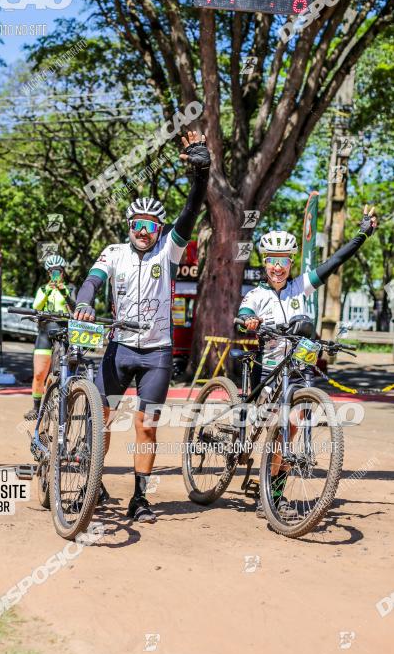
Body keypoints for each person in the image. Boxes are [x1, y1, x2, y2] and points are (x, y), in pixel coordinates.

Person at [73, 131, 211, 524]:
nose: (144, 231)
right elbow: (92, 280)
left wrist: (201, 172)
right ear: (129, 224)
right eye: (138, 223)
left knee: (146, 426)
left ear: (159, 229)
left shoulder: (169, 250)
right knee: (100, 418)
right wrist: (84, 301)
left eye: (151, 225)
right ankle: (92, 480)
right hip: (118, 350)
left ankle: (139, 498)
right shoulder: (114, 252)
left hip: (156, 354)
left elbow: (191, 210)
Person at [236, 204, 378, 514]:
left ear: (291, 262)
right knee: (278, 430)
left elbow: (336, 260)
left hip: (298, 371)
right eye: (273, 261)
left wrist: (362, 234)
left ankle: (271, 496)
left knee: (291, 430)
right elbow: (244, 313)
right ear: (265, 263)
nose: (278, 267)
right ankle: (266, 489)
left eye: (284, 261)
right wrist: (248, 321)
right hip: (271, 371)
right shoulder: (256, 295)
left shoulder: (302, 286)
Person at [24, 254, 76, 421]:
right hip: (46, 331)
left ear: (63, 272)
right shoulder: (42, 289)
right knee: (39, 373)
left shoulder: (70, 288)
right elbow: (36, 306)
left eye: (59, 271)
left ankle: (63, 406)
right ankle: (36, 407)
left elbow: (75, 309)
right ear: (48, 273)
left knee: (65, 373)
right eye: (53, 271)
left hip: (65, 331)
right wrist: (48, 290)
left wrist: (63, 292)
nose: (56, 274)